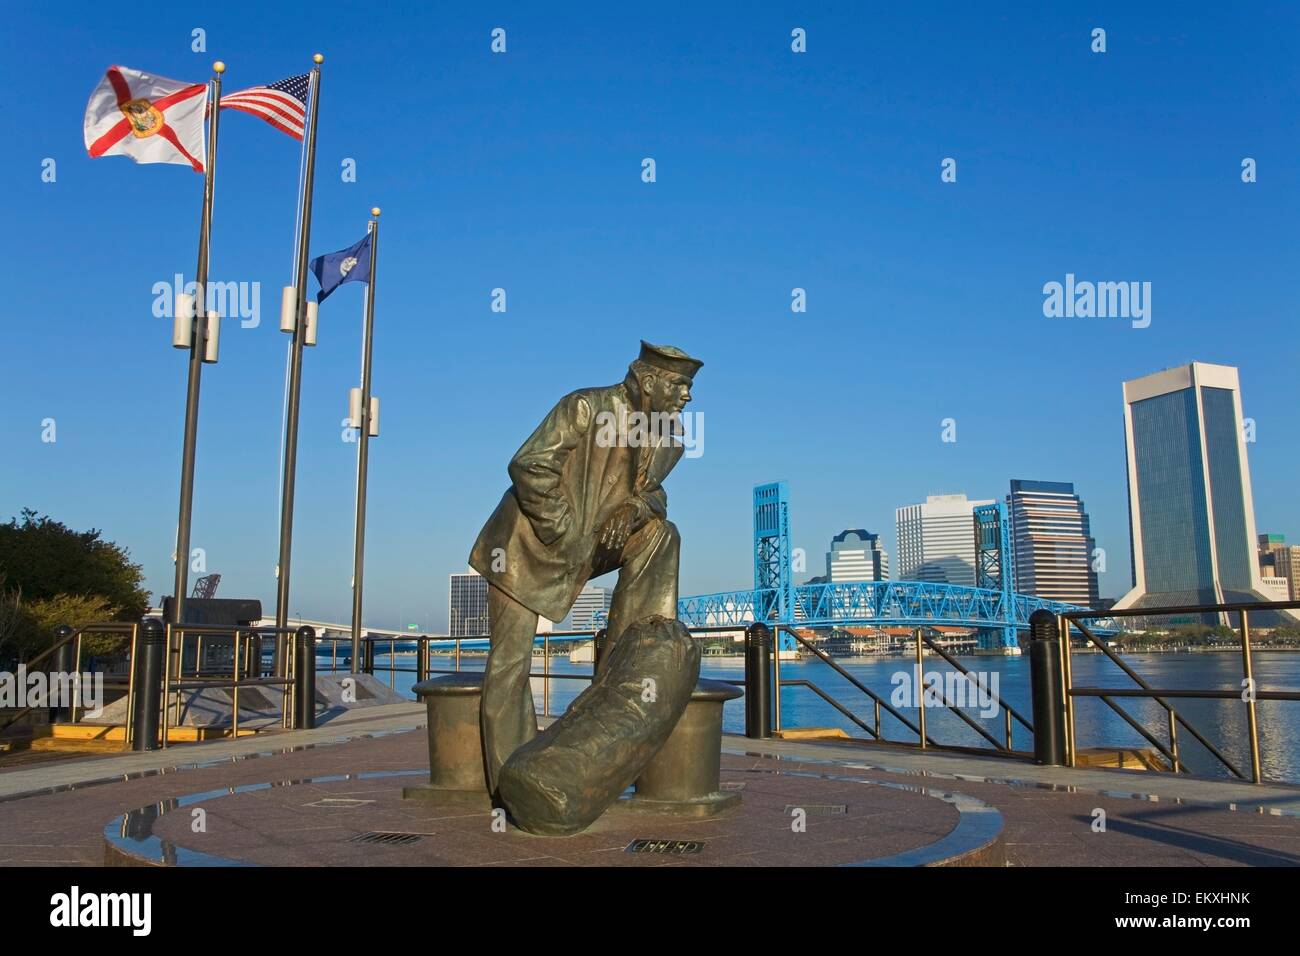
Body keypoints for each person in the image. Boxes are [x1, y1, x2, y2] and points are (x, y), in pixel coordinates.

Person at [468, 341, 703, 795]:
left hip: (591, 546)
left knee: (662, 533)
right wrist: (565, 526)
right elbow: (529, 464)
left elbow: (654, 495)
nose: (688, 397)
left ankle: (632, 658)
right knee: (509, 665)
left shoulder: (670, 437)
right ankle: (511, 787)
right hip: (526, 547)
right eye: (680, 385)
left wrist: (635, 510)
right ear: (648, 380)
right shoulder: (585, 406)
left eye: (690, 387)